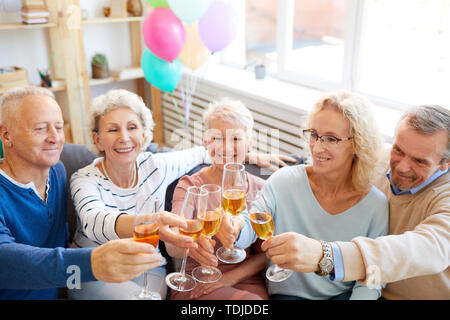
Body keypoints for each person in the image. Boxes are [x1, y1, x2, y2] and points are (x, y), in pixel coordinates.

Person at [0, 86, 184, 300]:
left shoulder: (56, 172)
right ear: (6, 135)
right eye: (40, 128)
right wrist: (92, 262)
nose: (54, 138)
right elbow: (4, 259)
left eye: (58, 127)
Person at [262, 104, 449, 300]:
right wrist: (242, 155)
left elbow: (426, 249)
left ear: (446, 163)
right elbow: (326, 160)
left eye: (419, 161)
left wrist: (326, 256)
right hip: (362, 288)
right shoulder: (378, 159)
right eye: (399, 150)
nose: (402, 167)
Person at [236, 90, 390, 300]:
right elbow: (250, 227)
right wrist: (234, 228)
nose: (317, 148)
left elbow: (373, 276)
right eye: (314, 135)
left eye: (331, 139)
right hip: (289, 296)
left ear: (358, 144)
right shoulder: (284, 181)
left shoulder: (375, 206)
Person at [167, 99, 270, 300]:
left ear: (249, 142)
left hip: (246, 280)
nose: (226, 147)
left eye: (236, 139)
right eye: (217, 138)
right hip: (199, 280)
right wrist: (194, 238)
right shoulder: (191, 185)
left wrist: (229, 278)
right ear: (206, 141)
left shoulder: (262, 189)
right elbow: (172, 246)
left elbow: (266, 252)